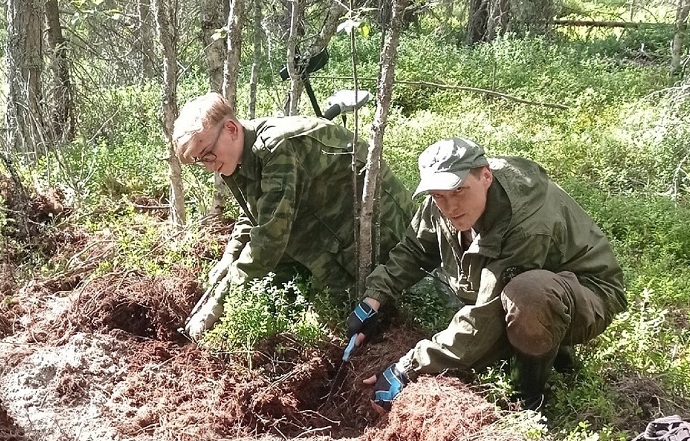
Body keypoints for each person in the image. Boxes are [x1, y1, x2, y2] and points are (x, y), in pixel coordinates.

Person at [346, 137, 627, 410]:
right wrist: (375, 298)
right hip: (536, 289)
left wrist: (406, 368)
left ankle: (526, 398)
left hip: (589, 292)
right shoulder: (442, 200)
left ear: (486, 177)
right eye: (439, 195)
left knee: (527, 295)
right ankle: (539, 345)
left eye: (459, 190)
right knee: (522, 299)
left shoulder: (525, 223)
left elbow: (486, 315)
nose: (450, 206)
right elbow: (415, 248)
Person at [172, 92, 415, 338]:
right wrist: (229, 258)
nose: (209, 166)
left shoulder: (276, 148)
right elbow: (254, 214)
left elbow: (269, 237)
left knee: (352, 326)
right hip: (326, 224)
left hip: (379, 225)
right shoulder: (235, 157)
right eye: (200, 161)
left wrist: (219, 300)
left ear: (231, 129)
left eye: (208, 154)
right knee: (281, 299)